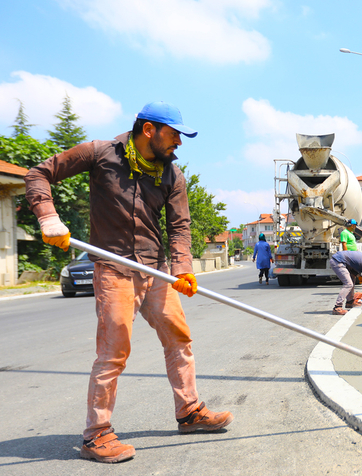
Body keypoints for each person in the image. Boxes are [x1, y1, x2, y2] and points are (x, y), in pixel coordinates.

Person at [24, 101, 233, 464]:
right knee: (113, 352)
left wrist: (183, 267)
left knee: (179, 339)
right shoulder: (100, 153)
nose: (179, 144)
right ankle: (96, 434)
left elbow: (179, 226)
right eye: (174, 135)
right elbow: (38, 174)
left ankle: (189, 412)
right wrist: (49, 217)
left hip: (157, 270)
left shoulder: (173, 175)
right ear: (149, 129)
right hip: (114, 269)